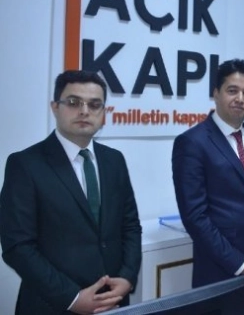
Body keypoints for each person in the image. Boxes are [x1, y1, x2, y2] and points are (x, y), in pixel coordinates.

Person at [0, 70, 142, 314]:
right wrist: (72, 298)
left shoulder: (114, 160)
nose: (84, 111)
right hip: (53, 304)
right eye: (74, 102)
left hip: (112, 302)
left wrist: (127, 278)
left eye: (94, 104)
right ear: (55, 107)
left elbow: (130, 226)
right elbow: (17, 246)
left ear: (104, 113)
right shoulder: (25, 164)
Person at [172, 59, 244, 313]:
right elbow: (195, 217)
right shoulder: (192, 143)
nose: (240, 99)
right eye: (232, 90)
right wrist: (241, 263)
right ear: (216, 93)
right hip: (221, 276)